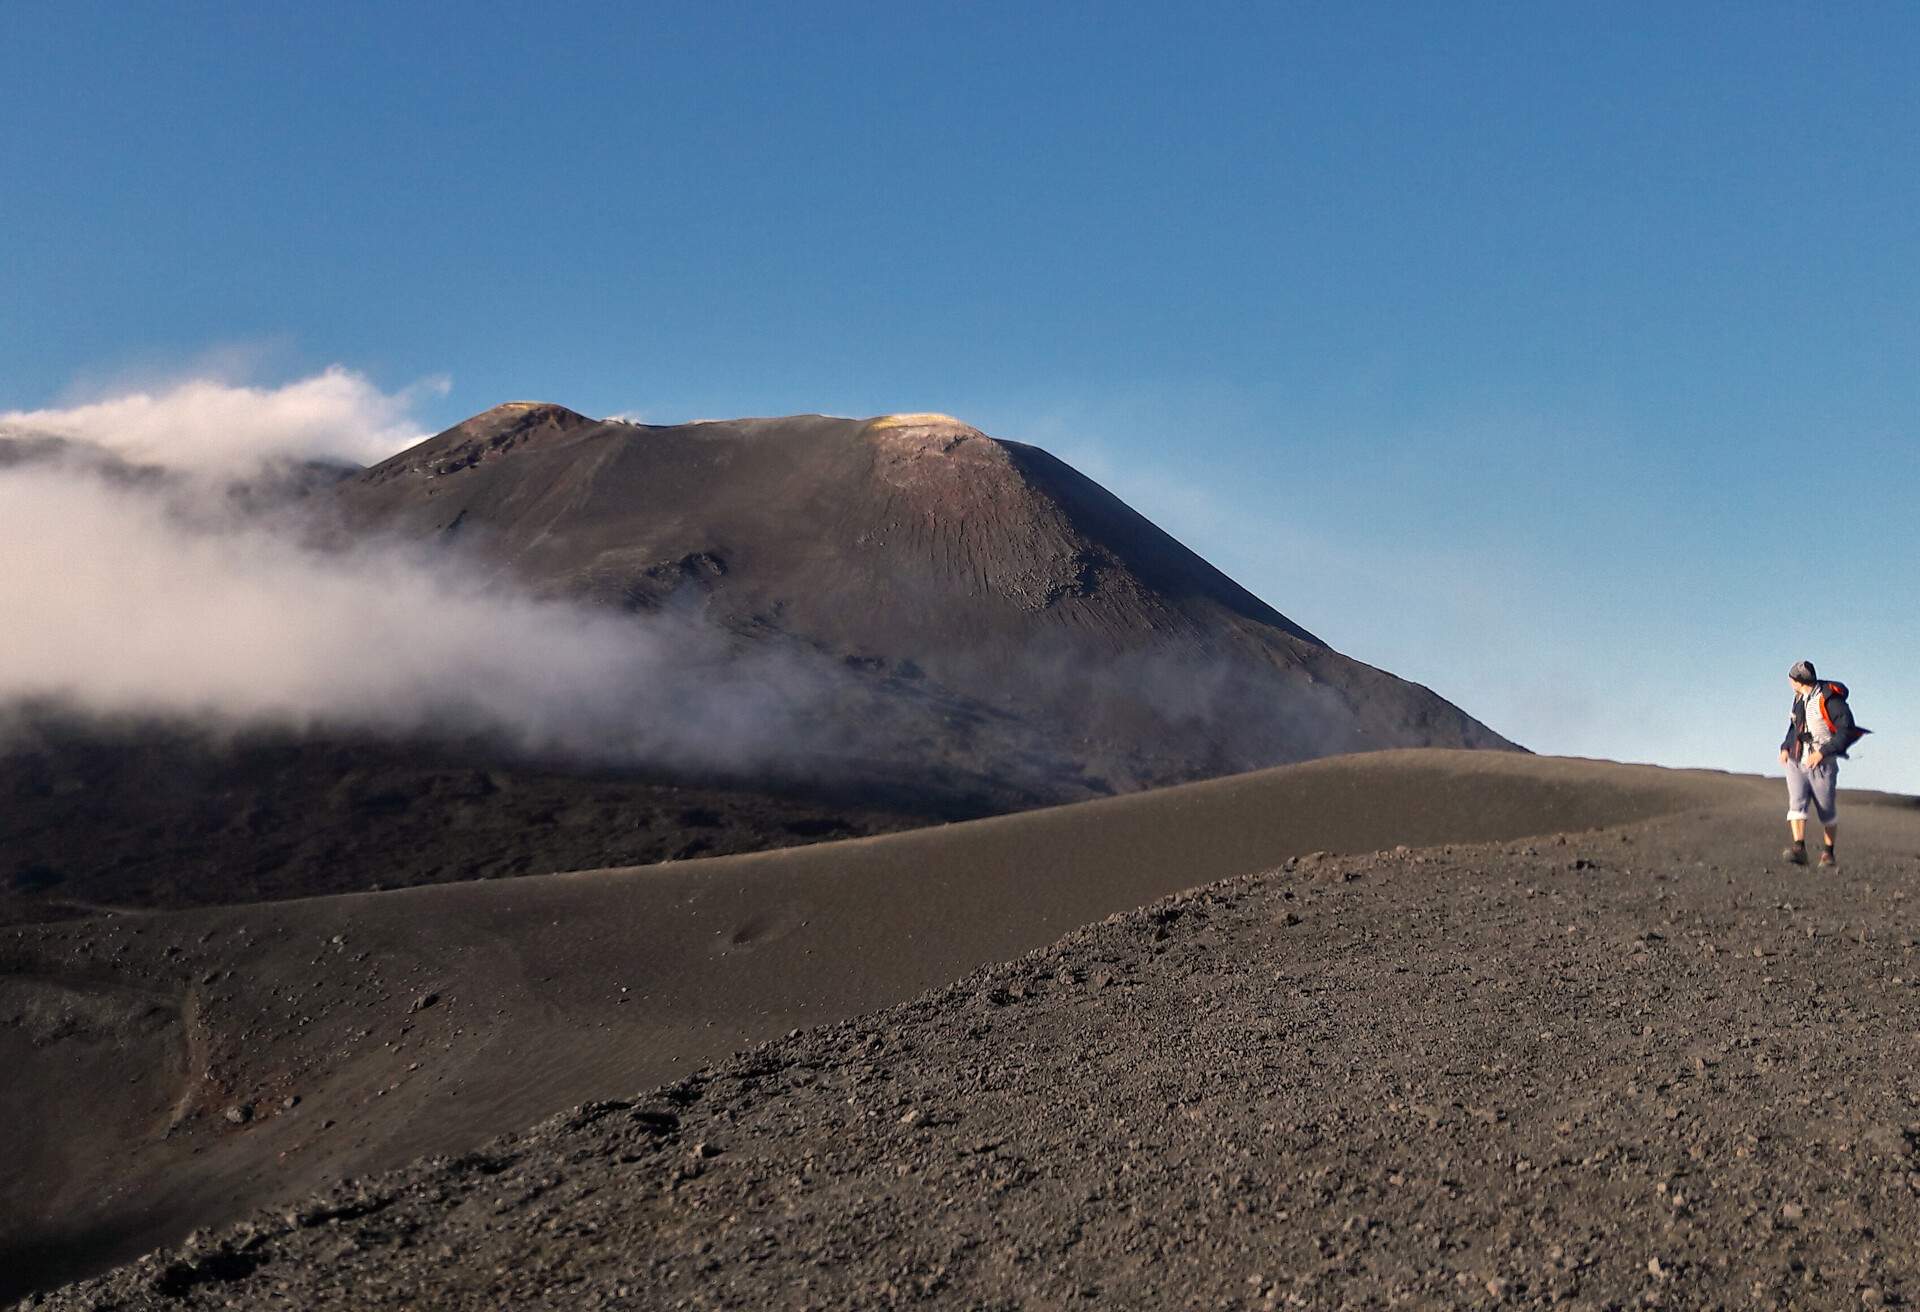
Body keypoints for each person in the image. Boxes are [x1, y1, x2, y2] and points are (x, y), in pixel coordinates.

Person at [1778, 660, 1855, 868]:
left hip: (1823, 764)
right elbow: (1794, 727)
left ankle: (1828, 853)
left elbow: (1846, 730)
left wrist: (1823, 752)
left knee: (1826, 809)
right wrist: (1785, 747)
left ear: (1798, 680)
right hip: (1797, 759)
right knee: (1796, 803)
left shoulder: (1830, 699)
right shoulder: (1798, 699)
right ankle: (1799, 847)